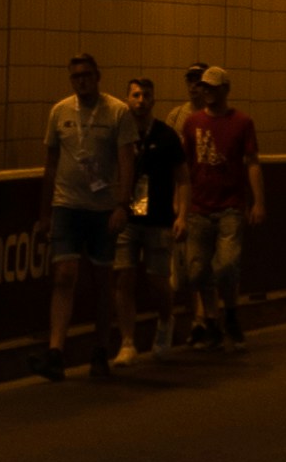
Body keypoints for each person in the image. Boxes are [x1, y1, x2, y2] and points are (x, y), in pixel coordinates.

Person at [41, 51, 131, 380]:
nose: (81, 81)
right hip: (67, 205)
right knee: (64, 274)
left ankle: (100, 349)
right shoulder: (60, 112)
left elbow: (126, 161)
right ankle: (55, 352)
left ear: (98, 76)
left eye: (86, 75)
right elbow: (51, 165)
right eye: (75, 76)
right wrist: (45, 213)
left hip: (102, 209)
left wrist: (123, 205)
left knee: (101, 281)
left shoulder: (117, 112)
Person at [178, 61, 262, 347]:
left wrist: (257, 202)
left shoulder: (242, 123)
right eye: (205, 87)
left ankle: (230, 313)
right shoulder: (191, 123)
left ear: (225, 89)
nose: (208, 92)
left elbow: (251, 163)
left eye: (213, 87)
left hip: (230, 206)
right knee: (196, 270)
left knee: (226, 266)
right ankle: (211, 320)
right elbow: (184, 169)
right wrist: (180, 209)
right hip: (199, 208)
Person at [119, 73, 186, 356]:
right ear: (127, 99)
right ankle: (127, 342)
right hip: (126, 217)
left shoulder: (166, 136)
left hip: (158, 217)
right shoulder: (120, 134)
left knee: (158, 279)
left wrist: (182, 214)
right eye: (135, 95)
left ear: (153, 99)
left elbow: (183, 178)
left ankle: (165, 319)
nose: (141, 101)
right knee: (123, 276)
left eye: (146, 95)